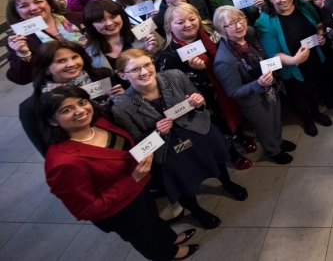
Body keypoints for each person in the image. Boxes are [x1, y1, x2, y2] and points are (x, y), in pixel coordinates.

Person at [41, 85, 199, 260]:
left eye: (82, 102)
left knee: (153, 219)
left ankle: (171, 238)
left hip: (138, 189)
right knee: (145, 236)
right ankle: (169, 254)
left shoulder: (97, 122)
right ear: (52, 120)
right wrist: (133, 179)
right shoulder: (62, 163)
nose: (80, 111)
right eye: (67, 109)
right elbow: (86, 209)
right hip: (120, 210)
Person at [112, 49, 248, 230]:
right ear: (123, 75)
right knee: (181, 179)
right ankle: (196, 210)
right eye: (135, 69)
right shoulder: (122, 107)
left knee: (214, 158)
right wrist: (156, 132)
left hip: (194, 127)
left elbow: (199, 99)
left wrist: (198, 102)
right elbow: (137, 142)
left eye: (147, 64)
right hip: (166, 145)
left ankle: (227, 182)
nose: (144, 72)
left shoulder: (174, 76)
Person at [155, 3, 252, 170]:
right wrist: (196, 72)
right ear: (169, 27)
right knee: (218, 127)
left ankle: (239, 135)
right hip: (203, 103)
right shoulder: (168, 56)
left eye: (192, 19)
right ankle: (232, 154)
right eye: (180, 22)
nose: (188, 24)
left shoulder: (207, 34)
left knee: (232, 114)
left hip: (222, 89)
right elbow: (175, 92)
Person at [212, 6, 295, 165]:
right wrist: (258, 84)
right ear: (221, 29)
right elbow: (233, 91)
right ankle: (273, 150)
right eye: (231, 24)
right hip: (254, 100)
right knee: (265, 127)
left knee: (276, 119)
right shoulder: (224, 60)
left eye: (240, 19)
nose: (239, 25)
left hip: (271, 88)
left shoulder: (248, 33)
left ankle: (279, 141)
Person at [256, 0, 332, 136]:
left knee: (314, 89)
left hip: (313, 59)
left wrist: (320, 35)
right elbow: (273, 54)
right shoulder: (264, 22)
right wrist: (294, 60)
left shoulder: (303, 4)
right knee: (299, 95)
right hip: (292, 66)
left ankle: (316, 112)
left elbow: (318, 23)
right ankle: (307, 119)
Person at [19, 39, 120, 156]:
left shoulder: (102, 76)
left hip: (121, 138)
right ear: (46, 69)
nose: (72, 64)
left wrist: (122, 99)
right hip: (87, 155)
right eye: (61, 61)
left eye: (75, 57)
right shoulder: (32, 107)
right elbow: (47, 150)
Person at [6, 0, 86, 86]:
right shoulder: (19, 40)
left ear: (49, 3)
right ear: (16, 13)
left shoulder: (78, 18)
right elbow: (22, 79)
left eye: (38, 2)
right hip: (62, 90)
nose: (34, 8)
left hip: (99, 76)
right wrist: (23, 54)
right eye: (24, 6)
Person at [84, 0, 160, 70]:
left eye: (113, 17)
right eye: (100, 20)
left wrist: (150, 52)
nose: (110, 23)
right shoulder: (88, 52)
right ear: (91, 25)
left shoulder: (142, 30)